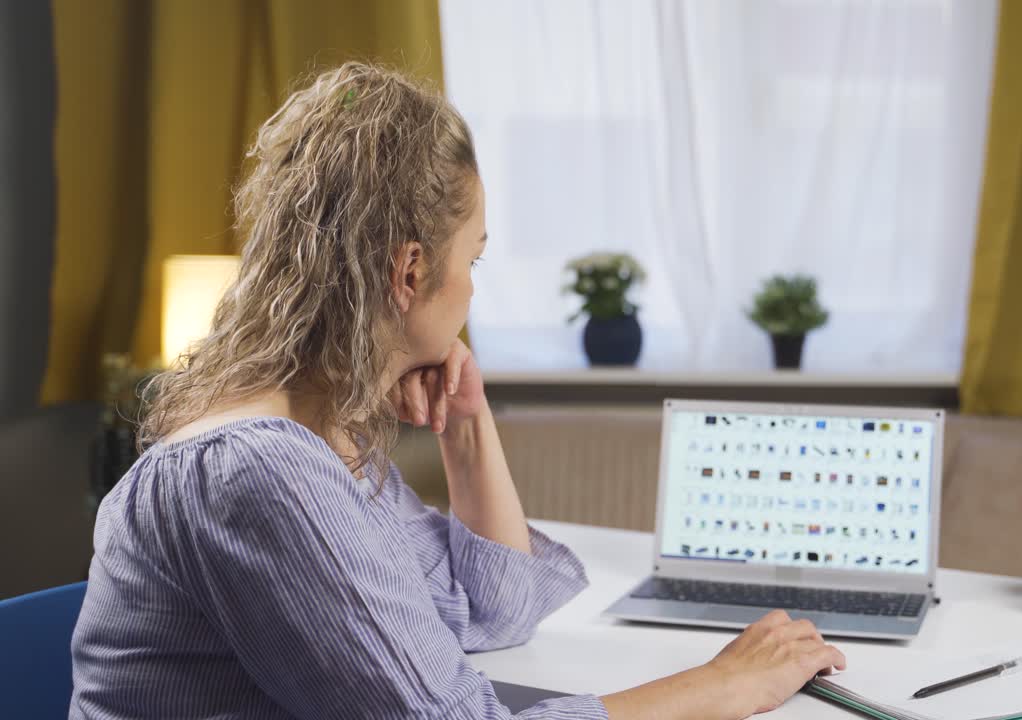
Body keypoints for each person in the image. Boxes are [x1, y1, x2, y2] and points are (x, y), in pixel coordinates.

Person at [69, 62, 845, 720]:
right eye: (473, 260)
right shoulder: (257, 472)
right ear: (410, 273)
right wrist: (723, 683)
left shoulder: (325, 445)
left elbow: (494, 609)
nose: (472, 290)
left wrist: (467, 428)